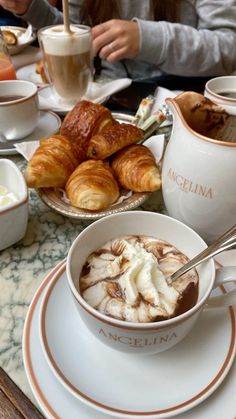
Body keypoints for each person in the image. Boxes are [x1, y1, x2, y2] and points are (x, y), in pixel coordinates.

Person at [0, 0, 236, 82]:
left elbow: (228, 47)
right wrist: (33, 9)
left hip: (182, 103)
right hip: (103, 97)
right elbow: (78, 34)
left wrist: (147, 39)